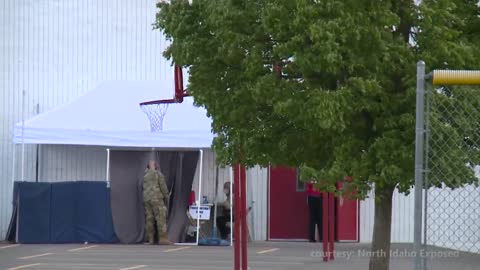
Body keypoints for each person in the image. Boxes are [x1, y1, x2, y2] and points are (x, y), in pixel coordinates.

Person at [143, 160, 172, 245]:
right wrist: (167, 196)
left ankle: (150, 239)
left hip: (146, 199)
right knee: (161, 217)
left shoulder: (145, 175)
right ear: (155, 166)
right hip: (156, 198)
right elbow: (162, 186)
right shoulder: (157, 174)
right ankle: (163, 238)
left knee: (149, 218)